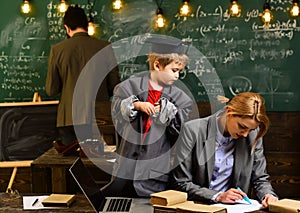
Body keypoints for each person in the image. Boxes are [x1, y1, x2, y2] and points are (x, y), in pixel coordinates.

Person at [101, 36, 193, 197]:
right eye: (174, 70)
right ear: (157, 65)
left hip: (155, 174)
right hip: (125, 170)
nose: (177, 76)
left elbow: (181, 132)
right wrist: (135, 105)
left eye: (179, 71)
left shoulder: (181, 99)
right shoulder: (128, 88)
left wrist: (168, 112)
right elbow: (116, 112)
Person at [170, 92, 278, 207]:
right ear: (229, 112)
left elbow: (260, 178)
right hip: (197, 206)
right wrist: (218, 196)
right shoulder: (192, 131)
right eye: (242, 127)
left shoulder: (252, 136)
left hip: (233, 209)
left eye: (251, 130)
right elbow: (181, 182)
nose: (246, 135)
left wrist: (267, 195)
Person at [45, 5, 120, 148]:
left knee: (72, 165)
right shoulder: (105, 47)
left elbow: (51, 90)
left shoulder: (57, 50)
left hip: (69, 118)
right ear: (87, 25)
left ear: (67, 28)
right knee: (98, 166)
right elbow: (115, 85)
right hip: (100, 118)